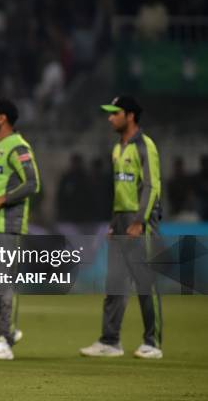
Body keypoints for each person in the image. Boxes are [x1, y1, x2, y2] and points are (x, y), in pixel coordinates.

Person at [80, 95, 163, 359]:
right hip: (121, 220)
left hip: (140, 221)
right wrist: (115, 223)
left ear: (129, 115)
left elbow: (151, 186)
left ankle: (153, 343)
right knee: (114, 283)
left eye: (114, 113)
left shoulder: (145, 145)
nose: (109, 118)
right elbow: (119, 191)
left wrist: (139, 221)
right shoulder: (118, 148)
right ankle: (110, 341)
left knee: (145, 283)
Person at [0, 98, 40, 359]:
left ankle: (5, 339)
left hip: (7, 226)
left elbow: (33, 183)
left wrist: (0, 200)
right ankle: (4, 332)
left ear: (1, 118)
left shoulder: (18, 146)